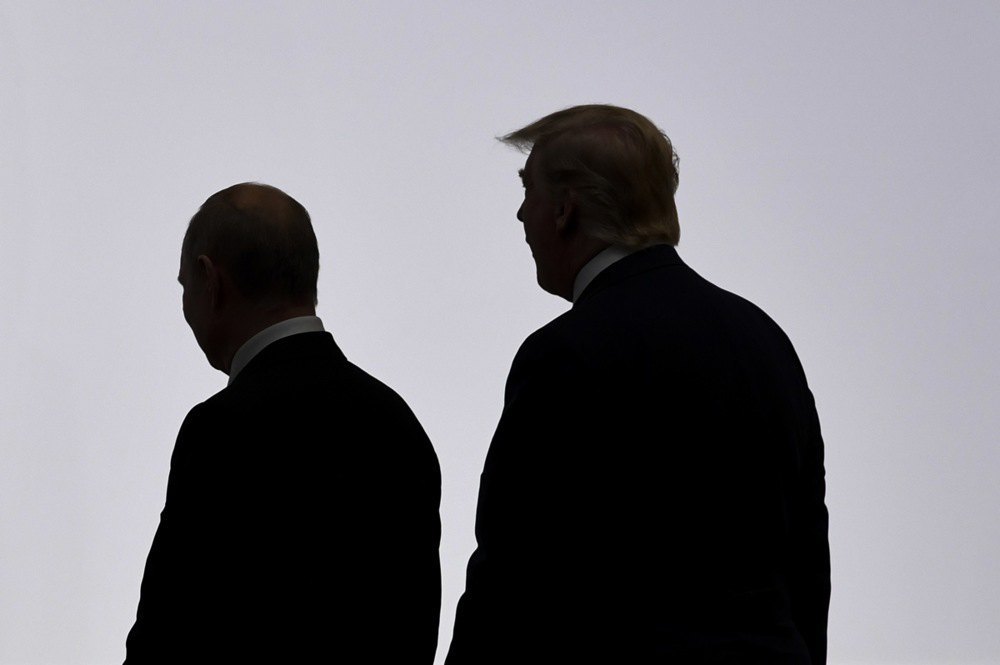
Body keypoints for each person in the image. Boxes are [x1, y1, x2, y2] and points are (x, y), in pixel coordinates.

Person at [446, 105, 830, 664]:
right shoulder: (765, 340)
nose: (520, 215)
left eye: (528, 191)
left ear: (563, 209)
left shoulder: (567, 353)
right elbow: (805, 554)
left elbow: (513, 572)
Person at [125, 183, 441, 663]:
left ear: (211, 280)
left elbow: (168, 632)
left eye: (184, 284)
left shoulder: (221, 430)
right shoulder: (397, 422)